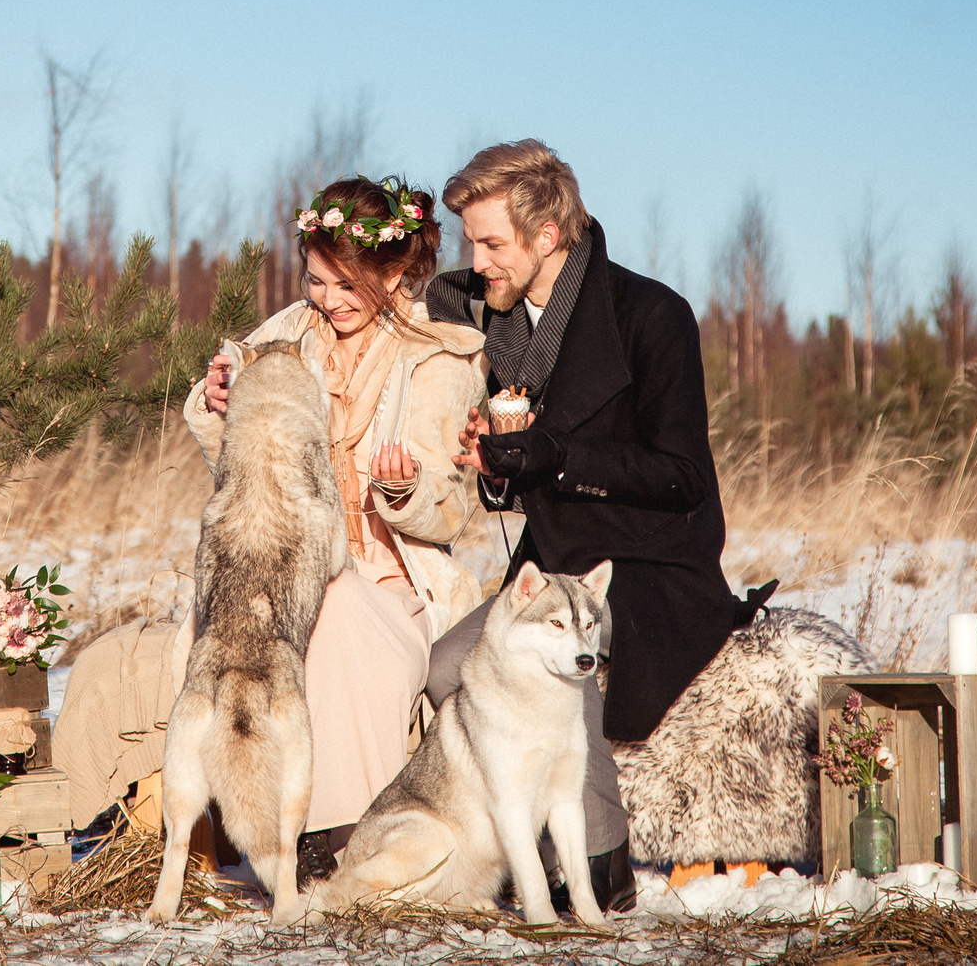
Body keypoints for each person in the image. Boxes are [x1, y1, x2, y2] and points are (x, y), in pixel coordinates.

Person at [423, 139, 730, 913]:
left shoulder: (652, 315)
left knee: (567, 652)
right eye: (470, 243)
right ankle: (505, 851)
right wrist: (498, 466)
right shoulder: (494, 322)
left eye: (492, 243)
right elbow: (516, 476)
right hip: (554, 557)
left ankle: (600, 862)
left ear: (548, 234)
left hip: (654, 563)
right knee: (446, 667)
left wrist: (557, 456)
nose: (477, 261)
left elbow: (683, 476)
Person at [183, 175, 486, 877]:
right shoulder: (284, 337)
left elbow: (451, 508)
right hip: (281, 563)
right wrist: (221, 400)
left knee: (339, 603)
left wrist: (405, 490)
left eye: (349, 285)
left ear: (396, 272)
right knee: (253, 617)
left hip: (391, 583)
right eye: (317, 281)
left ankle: (338, 840)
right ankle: (259, 825)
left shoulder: (442, 356)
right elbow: (239, 465)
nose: (329, 300)